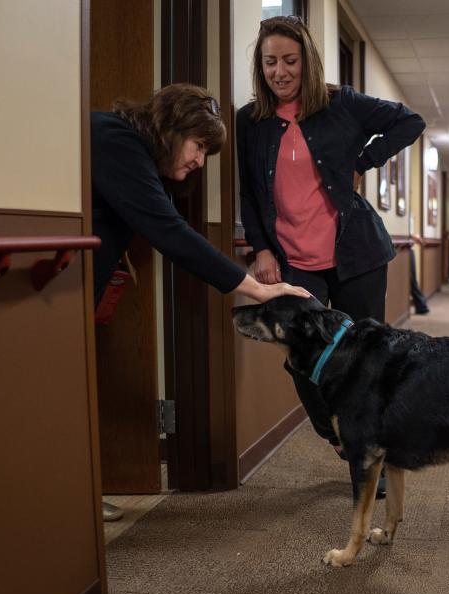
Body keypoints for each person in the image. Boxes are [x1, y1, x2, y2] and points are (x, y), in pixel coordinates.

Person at [92, 83, 310, 521]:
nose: (197, 161)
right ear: (171, 128)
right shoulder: (113, 138)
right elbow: (171, 233)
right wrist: (258, 289)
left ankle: (78, 493)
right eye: (197, 146)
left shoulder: (133, 150)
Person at [236, 15, 425, 497]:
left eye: (290, 61)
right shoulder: (249, 121)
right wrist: (260, 247)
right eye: (270, 61)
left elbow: (410, 121)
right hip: (294, 262)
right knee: (301, 361)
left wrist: (363, 161)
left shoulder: (341, 104)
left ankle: (374, 455)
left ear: (308, 62)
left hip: (358, 254)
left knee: (367, 359)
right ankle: (342, 439)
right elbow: (250, 193)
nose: (280, 71)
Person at [410, 233, 430, 315]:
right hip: (407, 249)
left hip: (409, 250)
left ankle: (421, 305)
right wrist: (417, 238)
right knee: (412, 281)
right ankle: (421, 305)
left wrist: (417, 237)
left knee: (412, 281)